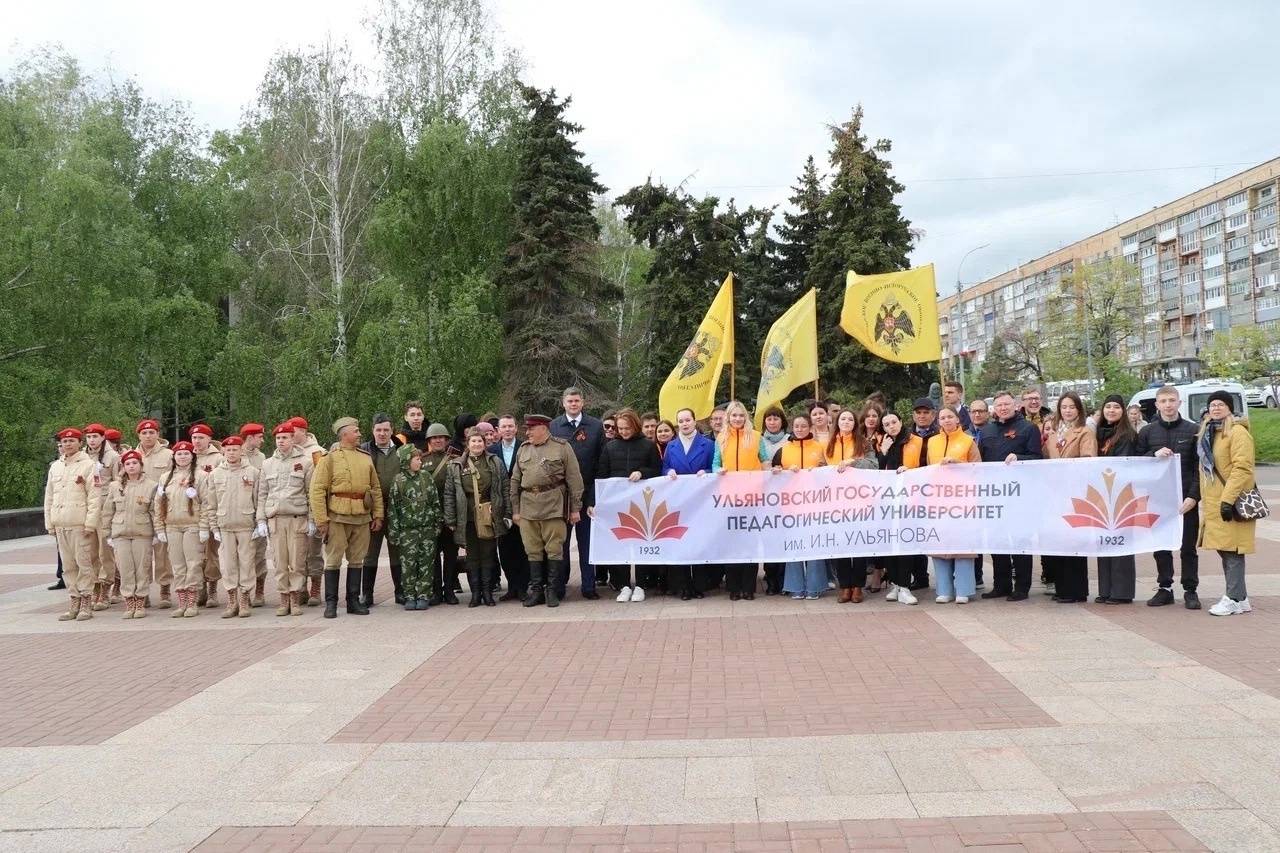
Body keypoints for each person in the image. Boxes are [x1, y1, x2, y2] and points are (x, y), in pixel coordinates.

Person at [308, 417, 385, 618]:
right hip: (337, 517)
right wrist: (321, 520)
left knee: (357, 560)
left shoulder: (365, 457)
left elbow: (375, 488)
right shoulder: (329, 459)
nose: (360, 434)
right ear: (344, 434)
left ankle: (353, 601)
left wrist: (378, 514)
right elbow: (317, 490)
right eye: (356, 431)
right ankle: (331, 603)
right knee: (333, 560)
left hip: (361, 516)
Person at [1135, 386, 1201, 609]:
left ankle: (1190, 590)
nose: (1168, 405)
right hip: (1157, 500)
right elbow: (1134, 463)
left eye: (1172, 400)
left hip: (1186, 500)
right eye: (1163, 401)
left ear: (1179, 403)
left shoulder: (1193, 430)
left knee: (1188, 548)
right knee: (1161, 545)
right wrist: (1153, 454)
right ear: (1157, 405)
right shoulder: (1147, 432)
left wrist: (1193, 496)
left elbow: (1198, 468)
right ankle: (1165, 588)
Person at [511, 413, 584, 608]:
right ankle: (536, 591)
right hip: (528, 507)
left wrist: (575, 508)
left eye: (531, 429)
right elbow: (515, 481)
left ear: (543, 428)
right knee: (532, 551)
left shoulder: (562, 447)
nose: (527, 433)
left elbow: (574, 479)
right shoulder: (523, 450)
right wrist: (516, 509)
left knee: (554, 549)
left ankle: (552, 590)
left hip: (553, 505)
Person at [978, 391, 1043, 602]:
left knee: (1019, 541)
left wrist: (1020, 457)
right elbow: (979, 463)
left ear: (1015, 405)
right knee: (997, 541)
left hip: (1020, 495)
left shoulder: (1028, 428)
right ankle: (1001, 585)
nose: (1003, 408)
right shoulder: (986, 430)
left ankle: (1022, 587)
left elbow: (1037, 458)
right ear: (994, 409)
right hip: (994, 496)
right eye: (999, 405)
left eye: (1007, 404)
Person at [593, 409, 663, 602]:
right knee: (620, 544)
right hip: (616, 504)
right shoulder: (610, 447)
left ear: (635, 425)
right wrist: (594, 502)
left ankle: (640, 584)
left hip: (641, 504)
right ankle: (623, 584)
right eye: (620, 428)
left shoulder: (648, 446)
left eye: (627, 428)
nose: (623, 432)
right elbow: (601, 475)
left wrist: (641, 472)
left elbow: (657, 471)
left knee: (640, 543)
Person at [1198, 391, 1256, 617]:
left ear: (1230, 408)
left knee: (1232, 551)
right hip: (1215, 502)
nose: (1216, 408)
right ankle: (1241, 599)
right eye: (1212, 404)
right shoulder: (1210, 431)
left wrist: (1227, 499)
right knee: (1225, 549)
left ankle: (1232, 598)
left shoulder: (1237, 432)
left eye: (1221, 404)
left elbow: (1242, 468)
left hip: (1231, 501)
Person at [444, 427, 510, 607]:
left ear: (484, 443)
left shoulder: (494, 462)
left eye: (480, 441)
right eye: (473, 441)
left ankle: (488, 593)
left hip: (489, 514)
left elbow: (504, 488)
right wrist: (450, 519)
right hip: (467, 516)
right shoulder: (456, 465)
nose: (477, 444)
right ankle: (475, 593)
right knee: (472, 555)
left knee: (488, 554)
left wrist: (506, 513)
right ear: (468, 443)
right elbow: (450, 493)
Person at [550, 387, 606, 599]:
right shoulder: (554, 426)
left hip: (587, 494)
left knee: (587, 544)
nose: (573, 404)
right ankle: (559, 587)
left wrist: (593, 497)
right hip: (561, 497)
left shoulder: (595, 426)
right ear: (563, 403)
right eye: (569, 401)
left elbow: (601, 462)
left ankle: (589, 586)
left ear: (583, 402)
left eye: (576, 401)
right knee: (561, 544)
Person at [1043, 392, 1097, 604]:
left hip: (1075, 493)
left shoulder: (1084, 432)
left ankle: (1077, 590)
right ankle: (1063, 587)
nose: (1067, 411)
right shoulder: (1054, 434)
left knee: (1075, 542)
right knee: (1060, 542)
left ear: (1078, 410)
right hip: (1056, 493)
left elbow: (1088, 461)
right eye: (1063, 407)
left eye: (1071, 407)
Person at [256, 422, 314, 617]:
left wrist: (312, 519)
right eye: (278, 438)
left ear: (292, 439)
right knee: (280, 561)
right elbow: (262, 494)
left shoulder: (305, 462)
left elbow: (310, 492)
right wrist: (261, 520)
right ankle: (284, 599)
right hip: (276, 519)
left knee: (297, 561)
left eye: (285, 438)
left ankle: (296, 599)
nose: (281, 441)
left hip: (297, 517)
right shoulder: (268, 464)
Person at [202, 435, 263, 619]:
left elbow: (259, 499)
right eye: (228, 450)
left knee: (246, 563)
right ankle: (231, 600)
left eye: (235, 449)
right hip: (224, 526)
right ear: (223, 451)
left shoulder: (252, 472)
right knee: (227, 565)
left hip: (245, 525)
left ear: (241, 451)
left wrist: (258, 522)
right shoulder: (216, 474)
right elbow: (210, 503)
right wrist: (213, 527)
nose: (231, 453)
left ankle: (244, 599)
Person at [713, 401, 770, 597]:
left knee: (750, 542)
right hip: (729, 498)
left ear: (746, 417)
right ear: (728, 418)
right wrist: (717, 471)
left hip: (752, 496)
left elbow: (765, 461)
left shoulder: (755, 437)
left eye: (741, 415)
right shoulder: (721, 438)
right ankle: (733, 587)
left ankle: (748, 587)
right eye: (734, 415)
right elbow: (715, 463)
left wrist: (771, 475)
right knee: (732, 542)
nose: (737, 419)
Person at [925, 406, 980, 603]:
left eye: (950, 417)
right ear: (938, 421)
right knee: (939, 544)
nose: (946, 420)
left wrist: (959, 464)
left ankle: (964, 590)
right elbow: (928, 469)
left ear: (958, 420)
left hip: (963, 501)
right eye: (943, 417)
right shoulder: (932, 442)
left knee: (962, 545)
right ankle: (944, 590)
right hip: (938, 501)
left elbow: (978, 470)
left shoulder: (968, 441)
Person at [44, 427, 99, 622]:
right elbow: (49, 497)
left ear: (79, 442)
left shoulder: (89, 466)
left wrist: (90, 524)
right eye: (64, 442)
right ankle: (74, 600)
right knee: (67, 566)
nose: (67, 444)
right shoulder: (55, 467)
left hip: (79, 523)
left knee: (83, 563)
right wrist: (49, 523)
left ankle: (86, 602)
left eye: (72, 441)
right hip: (61, 523)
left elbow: (94, 497)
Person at [663, 407, 715, 600]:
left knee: (698, 541)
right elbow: (666, 466)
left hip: (701, 501)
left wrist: (707, 471)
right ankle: (683, 586)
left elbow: (714, 466)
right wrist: (668, 472)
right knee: (681, 541)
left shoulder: (708, 444)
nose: (684, 424)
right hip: (679, 501)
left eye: (687, 420)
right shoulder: (671, 446)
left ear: (695, 421)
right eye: (681, 421)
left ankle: (699, 585)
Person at [774, 413, 827, 599]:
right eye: (796, 426)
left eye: (804, 426)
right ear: (792, 428)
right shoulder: (784, 449)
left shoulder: (820, 448)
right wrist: (781, 471)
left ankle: (815, 587)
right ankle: (795, 586)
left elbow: (828, 472)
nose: (800, 429)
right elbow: (774, 473)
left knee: (814, 546)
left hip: (815, 504)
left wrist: (821, 470)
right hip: (791, 505)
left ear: (810, 428)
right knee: (794, 545)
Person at [1094, 395, 1139, 604]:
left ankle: (1121, 592)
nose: (1111, 410)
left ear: (1123, 411)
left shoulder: (1127, 435)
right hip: (1101, 496)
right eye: (1108, 406)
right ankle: (1106, 589)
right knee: (1104, 542)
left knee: (1120, 542)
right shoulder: (1099, 434)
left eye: (1116, 407)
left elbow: (1124, 465)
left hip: (1120, 495)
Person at [387, 444, 442, 610]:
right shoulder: (398, 481)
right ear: (406, 461)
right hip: (407, 531)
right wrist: (394, 532)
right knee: (408, 565)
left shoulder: (426, 477)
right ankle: (409, 595)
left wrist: (437, 523)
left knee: (426, 563)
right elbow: (393, 509)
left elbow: (434, 502)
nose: (420, 462)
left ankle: (424, 594)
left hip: (427, 529)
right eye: (416, 459)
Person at [360, 414, 404, 606]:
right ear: (373, 431)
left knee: (397, 551)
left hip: (396, 509)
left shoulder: (402, 451)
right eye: (378, 430)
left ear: (392, 430)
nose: (382, 433)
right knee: (370, 553)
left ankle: (400, 592)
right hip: (373, 511)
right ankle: (367, 594)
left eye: (386, 430)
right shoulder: (364, 451)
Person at [106, 449, 156, 619]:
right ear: (123, 467)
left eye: (135, 463)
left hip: (143, 533)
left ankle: (140, 602)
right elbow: (108, 511)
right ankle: (129, 602)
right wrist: (107, 534)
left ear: (141, 465)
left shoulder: (151, 485)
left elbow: (155, 511)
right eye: (128, 464)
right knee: (125, 569)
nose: (131, 466)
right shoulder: (115, 486)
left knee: (142, 569)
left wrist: (157, 532)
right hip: (120, 533)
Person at [156, 440, 204, 618]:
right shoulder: (165, 477)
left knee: (193, 564)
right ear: (174, 457)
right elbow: (158, 504)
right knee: (177, 564)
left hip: (192, 525)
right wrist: (160, 528)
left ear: (192, 456)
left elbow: (207, 503)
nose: (182, 457)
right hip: (172, 526)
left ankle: (192, 601)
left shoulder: (200, 476)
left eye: (186, 453)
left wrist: (204, 526)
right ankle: (182, 601)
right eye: (179, 454)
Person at [488, 414, 528, 601]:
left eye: (510, 426)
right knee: (505, 549)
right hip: (501, 507)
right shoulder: (492, 451)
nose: (507, 430)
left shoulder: (525, 447)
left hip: (523, 504)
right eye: (503, 427)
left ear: (516, 428)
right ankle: (512, 586)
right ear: (498, 430)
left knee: (523, 547)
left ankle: (523, 587)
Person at [136, 419, 175, 608]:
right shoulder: (132, 455)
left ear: (158, 434)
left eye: (152, 432)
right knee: (141, 553)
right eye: (144, 433)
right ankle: (142, 592)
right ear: (139, 435)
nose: (148, 436)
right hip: (138, 510)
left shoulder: (169, 455)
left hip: (161, 508)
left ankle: (165, 588)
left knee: (162, 552)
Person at [421, 423, 460, 605]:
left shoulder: (456, 458)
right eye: (434, 438)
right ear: (429, 441)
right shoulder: (422, 460)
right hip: (431, 516)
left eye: (441, 438)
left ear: (446, 440)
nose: (438, 440)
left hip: (451, 514)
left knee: (451, 554)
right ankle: (436, 590)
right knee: (433, 555)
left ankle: (450, 589)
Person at [83, 423, 120, 611]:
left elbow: (118, 481)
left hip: (105, 507)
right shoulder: (82, 457)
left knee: (105, 551)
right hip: (88, 507)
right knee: (90, 551)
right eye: (89, 437)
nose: (92, 440)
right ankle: (95, 586)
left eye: (95, 437)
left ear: (103, 438)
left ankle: (106, 588)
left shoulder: (112, 456)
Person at [291, 416, 327, 606]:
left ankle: (315, 588)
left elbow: (321, 482)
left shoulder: (317, 452)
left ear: (303, 431)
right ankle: (300, 587)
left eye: (294, 431)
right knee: (297, 553)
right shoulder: (288, 451)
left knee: (314, 551)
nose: (290, 435)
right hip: (295, 510)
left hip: (312, 509)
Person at [190, 423, 224, 611]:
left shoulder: (217, 458)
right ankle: (199, 588)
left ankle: (212, 589)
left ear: (209, 439)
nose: (197, 441)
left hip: (210, 509)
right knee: (195, 554)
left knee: (211, 553)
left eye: (201, 437)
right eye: (194, 438)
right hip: (191, 512)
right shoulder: (186, 455)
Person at [240, 423, 270, 608]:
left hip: (257, 512)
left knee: (259, 554)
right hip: (239, 513)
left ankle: (259, 591)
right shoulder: (234, 454)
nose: (262, 440)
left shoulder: (262, 458)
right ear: (249, 438)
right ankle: (244, 593)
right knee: (242, 557)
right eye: (259, 437)